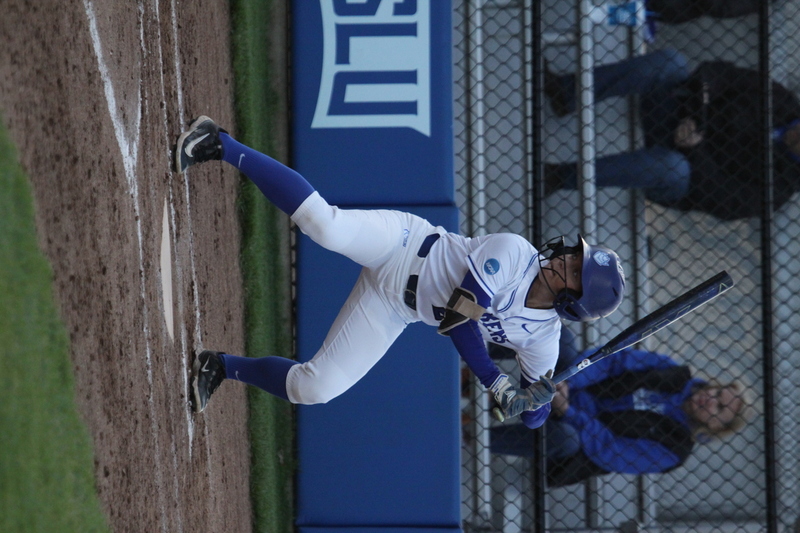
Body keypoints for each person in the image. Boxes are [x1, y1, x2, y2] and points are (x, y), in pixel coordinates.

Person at [172, 116, 626, 424]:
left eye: (574, 269)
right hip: (404, 245)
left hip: (394, 307)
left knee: (317, 388)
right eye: (574, 255)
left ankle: (221, 367)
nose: (566, 257)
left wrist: (537, 399)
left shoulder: (544, 341)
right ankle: (221, 143)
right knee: (325, 226)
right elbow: (457, 321)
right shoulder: (515, 253)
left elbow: (531, 419)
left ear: (573, 300)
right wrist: (497, 382)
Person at [544, 48, 800, 220]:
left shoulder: (779, 189)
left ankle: (558, 177)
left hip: (682, 168)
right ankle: (565, 93)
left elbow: (717, 196)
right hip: (676, 114)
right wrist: (695, 113)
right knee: (671, 62)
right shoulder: (783, 101)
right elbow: (720, 73)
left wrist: (694, 147)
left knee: (673, 169)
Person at [489, 327, 756, 487]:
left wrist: (568, 411)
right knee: (562, 338)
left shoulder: (675, 449)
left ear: (716, 427)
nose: (712, 399)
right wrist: (570, 381)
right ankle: (477, 348)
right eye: (718, 392)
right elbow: (613, 362)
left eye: (719, 408)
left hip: (574, 432)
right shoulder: (672, 373)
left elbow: (610, 450)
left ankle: (474, 436)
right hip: (569, 387)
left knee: (565, 438)